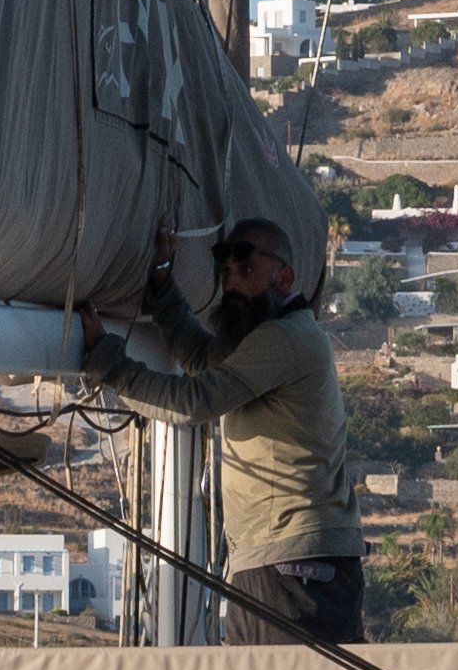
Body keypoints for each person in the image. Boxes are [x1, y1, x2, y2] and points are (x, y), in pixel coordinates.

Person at [86, 213, 358, 643]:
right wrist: (161, 284)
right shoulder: (272, 337)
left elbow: (195, 401)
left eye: (246, 270)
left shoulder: (284, 339)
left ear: (283, 276)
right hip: (281, 559)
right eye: (225, 272)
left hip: (292, 561)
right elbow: (200, 358)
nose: (231, 283)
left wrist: (109, 366)